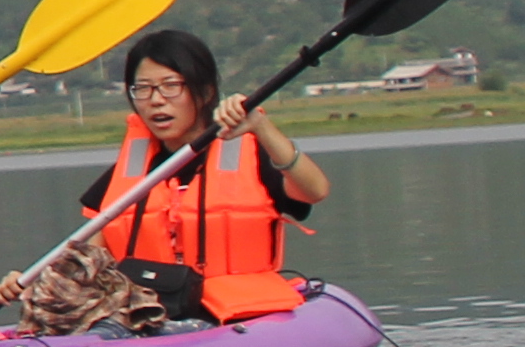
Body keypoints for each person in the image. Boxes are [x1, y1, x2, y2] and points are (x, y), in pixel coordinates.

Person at [26, 24, 329, 325]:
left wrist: (262, 127)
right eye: (143, 88)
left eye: (171, 85)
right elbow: (86, 255)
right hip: (150, 315)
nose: (156, 100)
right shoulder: (132, 173)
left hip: (239, 315)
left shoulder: (247, 153)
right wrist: (31, 283)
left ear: (205, 91)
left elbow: (314, 190)